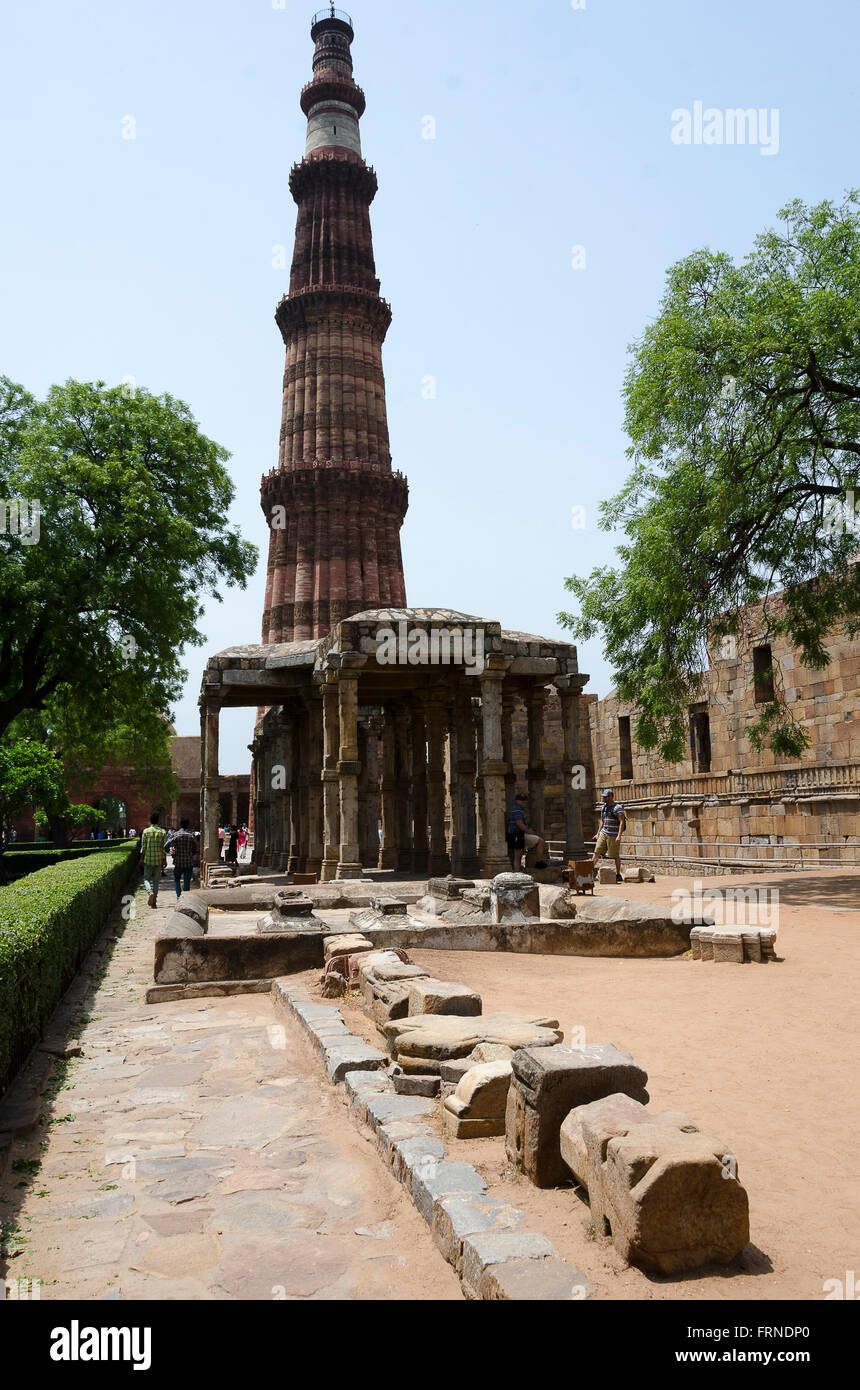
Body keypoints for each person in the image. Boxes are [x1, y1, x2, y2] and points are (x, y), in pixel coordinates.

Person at [505, 792, 548, 873]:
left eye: (525, 801)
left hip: (516, 835)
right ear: (517, 801)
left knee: (518, 856)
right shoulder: (517, 810)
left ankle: (517, 872)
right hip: (518, 835)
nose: (524, 802)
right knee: (540, 841)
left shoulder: (516, 809)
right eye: (522, 801)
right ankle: (538, 862)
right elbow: (519, 823)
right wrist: (529, 831)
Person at [592, 788, 626, 883]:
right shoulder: (603, 807)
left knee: (615, 855)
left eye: (606, 797)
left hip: (613, 834)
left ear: (611, 797)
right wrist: (598, 833)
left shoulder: (617, 807)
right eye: (603, 797)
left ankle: (618, 874)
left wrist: (619, 835)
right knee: (597, 852)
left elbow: (622, 821)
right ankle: (589, 872)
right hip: (604, 832)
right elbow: (602, 821)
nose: (604, 798)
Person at [139, 813, 167, 908]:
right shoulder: (163, 832)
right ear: (158, 821)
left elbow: (144, 847)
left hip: (148, 859)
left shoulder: (146, 831)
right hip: (158, 860)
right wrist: (165, 860)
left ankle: (149, 892)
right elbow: (164, 848)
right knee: (156, 881)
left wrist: (141, 858)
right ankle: (154, 902)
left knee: (146, 878)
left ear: (150, 821)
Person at [166, 817, 196, 898]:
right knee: (187, 881)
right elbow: (195, 849)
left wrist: (171, 852)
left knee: (177, 879)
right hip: (188, 862)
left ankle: (179, 896)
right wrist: (190, 854)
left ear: (180, 824)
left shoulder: (175, 835)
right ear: (188, 825)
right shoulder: (191, 836)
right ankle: (185, 898)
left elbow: (166, 845)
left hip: (178, 861)